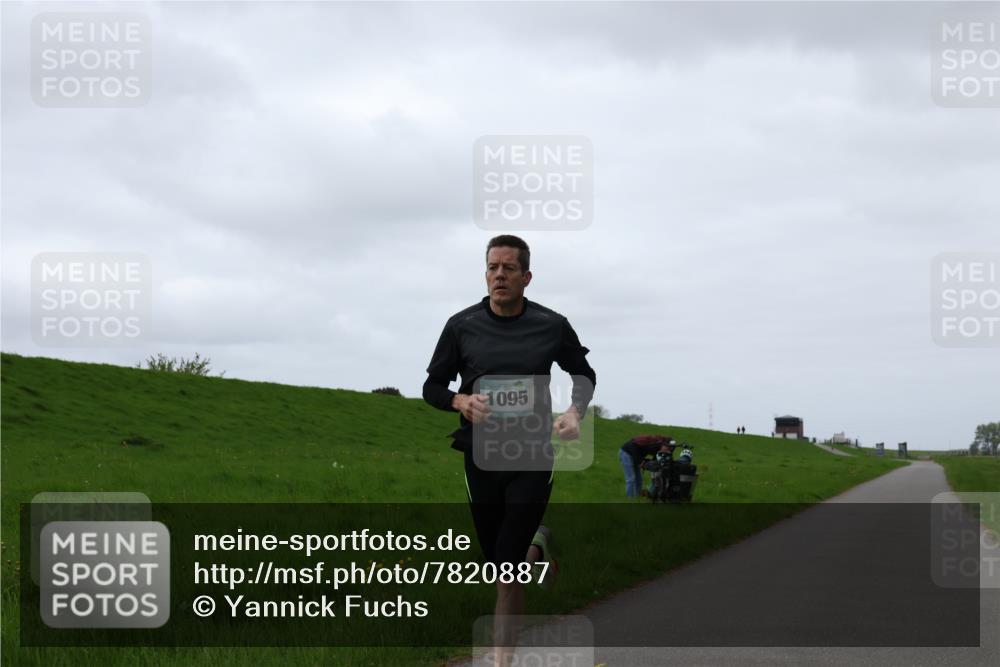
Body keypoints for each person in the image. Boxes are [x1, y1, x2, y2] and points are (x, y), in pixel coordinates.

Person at [422, 235, 596, 663]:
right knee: (501, 559)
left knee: (505, 571)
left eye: (508, 268)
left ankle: (502, 661)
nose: (499, 275)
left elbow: (583, 374)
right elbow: (431, 387)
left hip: (532, 454)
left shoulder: (552, 325)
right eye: (492, 267)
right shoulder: (461, 326)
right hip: (480, 454)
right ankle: (537, 546)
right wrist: (459, 401)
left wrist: (575, 413)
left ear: (526, 277)